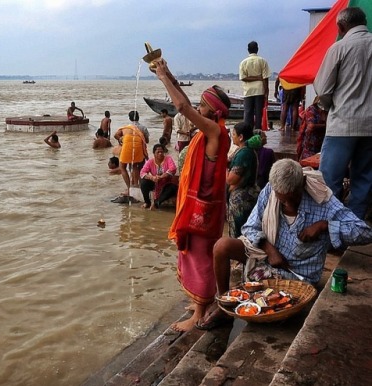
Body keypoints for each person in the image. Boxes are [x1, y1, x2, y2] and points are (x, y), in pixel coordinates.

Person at [197, 159, 372, 330]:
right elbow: (250, 226)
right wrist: (269, 248)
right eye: (282, 200)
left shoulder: (324, 201)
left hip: (297, 274)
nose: (287, 204)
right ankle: (223, 302)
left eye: (292, 199)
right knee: (221, 246)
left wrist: (325, 226)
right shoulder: (270, 191)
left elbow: (364, 232)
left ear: (302, 183)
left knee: (275, 310)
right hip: (266, 258)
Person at [154, 57, 231, 332]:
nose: (198, 109)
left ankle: (199, 313)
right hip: (205, 205)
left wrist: (163, 77)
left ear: (212, 112)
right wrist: (168, 74)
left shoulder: (214, 132)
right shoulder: (213, 128)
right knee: (197, 254)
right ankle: (204, 302)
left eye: (203, 106)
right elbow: (186, 102)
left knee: (199, 256)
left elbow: (182, 106)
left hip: (204, 209)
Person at [314, 6, 372, 220]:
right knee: (363, 179)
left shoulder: (339, 48)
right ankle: (353, 226)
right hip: (370, 126)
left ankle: (329, 225)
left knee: (329, 179)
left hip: (343, 124)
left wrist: (330, 106)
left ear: (340, 26)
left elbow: (322, 88)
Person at [227, 122, 260, 238]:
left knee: (239, 233)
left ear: (241, 137)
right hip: (248, 194)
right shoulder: (244, 150)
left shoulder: (244, 153)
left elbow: (231, 179)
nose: (232, 137)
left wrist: (225, 170)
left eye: (234, 134)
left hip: (241, 199)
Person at [239, 41, 271, 131]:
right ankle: (257, 133)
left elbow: (243, 78)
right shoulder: (262, 61)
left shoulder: (243, 62)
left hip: (248, 91)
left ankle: (247, 133)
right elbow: (265, 78)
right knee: (258, 114)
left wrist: (254, 78)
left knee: (248, 113)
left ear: (248, 50)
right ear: (257, 49)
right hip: (260, 90)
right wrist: (266, 92)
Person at [113, 119, 148, 197]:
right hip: (138, 145)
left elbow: (116, 135)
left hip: (128, 143)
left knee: (122, 167)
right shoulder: (142, 128)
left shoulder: (125, 128)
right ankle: (136, 187)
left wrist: (120, 139)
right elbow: (146, 140)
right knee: (135, 166)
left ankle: (129, 189)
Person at [140, 143, 178, 209]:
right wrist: (152, 177)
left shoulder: (168, 159)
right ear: (154, 153)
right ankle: (147, 202)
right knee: (143, 182)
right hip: (155, 183)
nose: (160, 153)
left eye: (161, 152)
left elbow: (173, 169)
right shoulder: (150, 161)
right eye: (158, 152)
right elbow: (142, 172)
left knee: (173, 188)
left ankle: (156, 204)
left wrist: (161, 176)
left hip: (166, 184)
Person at [297, 97, 327, 161]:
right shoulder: (311, 110)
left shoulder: (327, 111)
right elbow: (311, 126)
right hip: (310, 147)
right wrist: (326, 126)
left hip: (322, 147)